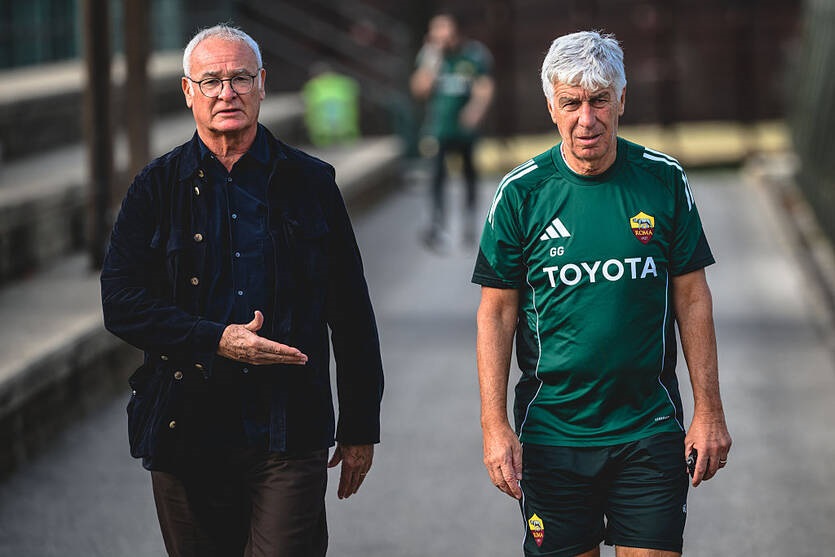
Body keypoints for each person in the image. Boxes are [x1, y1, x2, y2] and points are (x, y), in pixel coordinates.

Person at [100, 24, 384, 557]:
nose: (226, 93)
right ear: (188, 92)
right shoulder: (155, 188)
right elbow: (120, 303)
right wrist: (216, 339)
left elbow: (350, 312)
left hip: (288, 430)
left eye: (240, 79)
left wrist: (360, 425)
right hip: (185, 429)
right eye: (211, 81)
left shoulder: (311, 182)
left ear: (262, 85)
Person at [472, 31, 732, 557]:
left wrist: (709, 410)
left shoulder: (663, 180)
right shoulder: (521, 193)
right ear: (551, 106)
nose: (586, 120)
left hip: (648, 427)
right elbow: (496, 315)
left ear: (622, 100)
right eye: (571, 103)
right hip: (552, 434)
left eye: (599, 101)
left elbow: (692, 298)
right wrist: (494, 426)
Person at [410, 12, 494, 250]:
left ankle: (470, 226)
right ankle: (437, 226)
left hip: (464, 129)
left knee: (469, 175)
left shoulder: (474, 54)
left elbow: (484, 86)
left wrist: (476, 109)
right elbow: (419, 90)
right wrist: (432, 59)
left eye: (443, 28)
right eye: (435, 29)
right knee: (437, 177)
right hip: (439, 128)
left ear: (455, 30)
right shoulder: (430, 56)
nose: (439, 34)